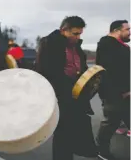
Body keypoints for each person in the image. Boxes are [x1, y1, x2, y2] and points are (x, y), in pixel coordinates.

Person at [35, 16, 97, 160]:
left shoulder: (76, 46)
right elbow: (46, 70)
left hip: (76, 94)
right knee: (62, 133)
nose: (77, 37)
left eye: (80, 34)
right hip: (60, 95)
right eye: (75, 33)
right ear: (64, 30)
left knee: (74, 130)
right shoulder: (50, 44)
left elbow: (81, 66)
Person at [95, 20, 130, 160]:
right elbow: (110, 71)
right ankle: (101, 151)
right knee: (110, 122)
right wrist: (124, 90)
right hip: (114, 92)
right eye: (127, 29)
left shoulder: (121, 46)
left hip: (124, 92)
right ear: (116, 30)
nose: (130, 32)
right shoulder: (107, 44)